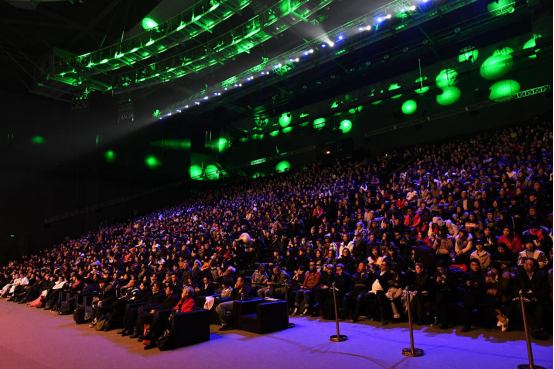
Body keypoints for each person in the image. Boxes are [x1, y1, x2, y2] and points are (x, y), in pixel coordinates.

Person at [143, 286, 196, 350]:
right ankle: (152, 341)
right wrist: (172, 314)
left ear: (187, 294)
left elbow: (185, 314)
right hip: (174, 318)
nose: (181, 293)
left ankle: (150, 334)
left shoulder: (190, 301)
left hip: (180, 320)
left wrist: (173, 316)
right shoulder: (182, 300)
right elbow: (175, 308)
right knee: (160, 322)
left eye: (183, 292)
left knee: (161, 318)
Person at [512, 258, 550, 340]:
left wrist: (536, 297)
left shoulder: (540, 275)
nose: (526, 265)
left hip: (536, 297)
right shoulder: (519, 274)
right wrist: (522, 296)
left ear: (535, 267)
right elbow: (515, 287)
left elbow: (544, 289)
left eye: (530, 264)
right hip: (524, 297)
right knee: (520, 305)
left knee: (539, 307)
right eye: (525, 263)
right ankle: (535, 327)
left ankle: (535, 328)